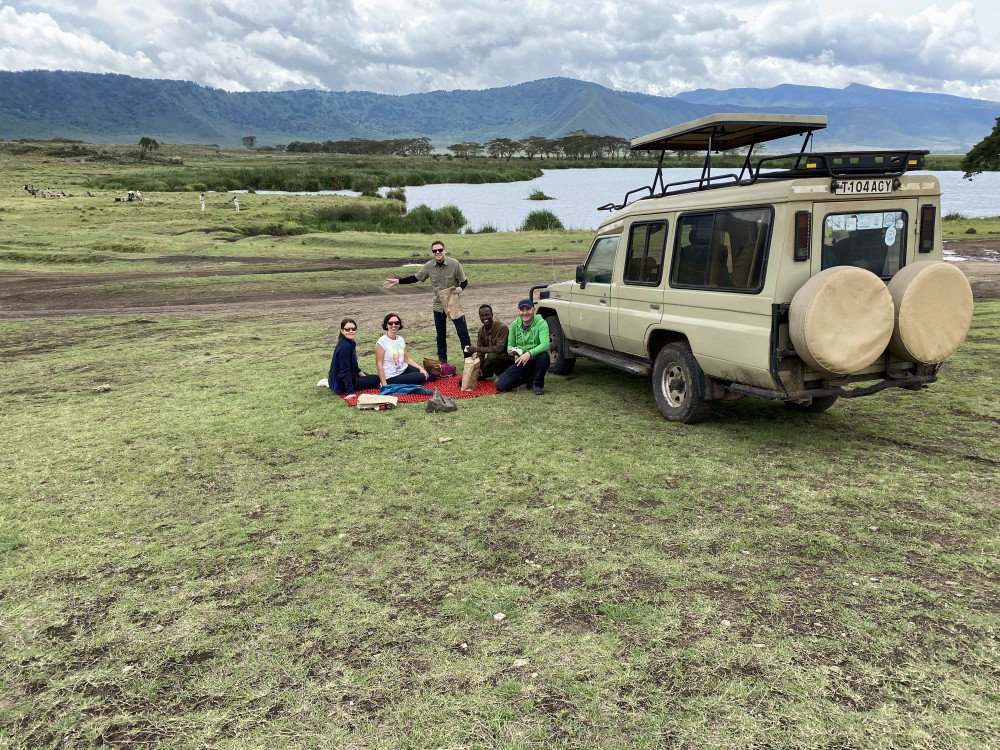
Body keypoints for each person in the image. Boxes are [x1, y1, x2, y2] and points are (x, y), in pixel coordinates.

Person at [382, 240, 471, 365]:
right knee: (440, 335)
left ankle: (469, 360)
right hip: (438, 305)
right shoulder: (429, 266)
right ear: (432, 252)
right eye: (435, 251)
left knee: (463, 333)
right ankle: (443, 362)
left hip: (453, 303)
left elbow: (464, 281)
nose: (438, 252)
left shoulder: (454, 263)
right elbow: (416, 278)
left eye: (440, 250)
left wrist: (461, 288)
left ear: (444, 250)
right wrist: (398, 281)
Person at [496, 299, 551, 396]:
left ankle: (538, 384)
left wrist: (529, 353)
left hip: (537, 358)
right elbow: (510, 344)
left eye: (528, 309)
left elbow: (546, 344)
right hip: (522, 360)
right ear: (519, 311)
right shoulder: (514, 325)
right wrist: (511, 351)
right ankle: (529, 378)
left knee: (544, 357)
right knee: (501, 385)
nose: (525, 312)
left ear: (533, 310)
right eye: (522, 310)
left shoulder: (541, 323)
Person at [327, 318, 381, 403]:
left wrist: (363, 376)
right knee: (376, 379)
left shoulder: (349, 342)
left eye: (353, 329)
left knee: (369, 377)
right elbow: (345, 370)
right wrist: (350, 392)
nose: (351, 331)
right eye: (347, 329)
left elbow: (354, 365)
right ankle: (343, 387)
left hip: (337, 379)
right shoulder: (345, 347)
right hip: (341, 384)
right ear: (342, 331)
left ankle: (330, 383)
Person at [376, 313, 437, 386]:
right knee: (421, 377)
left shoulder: (400, 339)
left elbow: (407, 359)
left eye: (396, 323)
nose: (394, 325)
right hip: (391, 376)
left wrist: (421, 368)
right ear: (386, 325)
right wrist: (384, 385)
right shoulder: (381, 342)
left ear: (399, 324)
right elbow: (379, 364)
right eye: (390, 323)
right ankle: (396, 382)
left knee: (431, 376)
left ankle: (412, 379)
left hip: (403, 369)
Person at [464, 304, 513, 378]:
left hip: (506, 360)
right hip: (493, 360)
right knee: (480, 373)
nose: (485, 318)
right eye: (482, 316)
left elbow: (499, 349)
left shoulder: (502, 328)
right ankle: (488, 373)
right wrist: (478, 366)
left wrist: (476, 348)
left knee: (492, 356)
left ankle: (500, 375)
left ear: (492, 315)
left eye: (487, 315)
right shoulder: (481, 331)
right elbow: (480, 353)